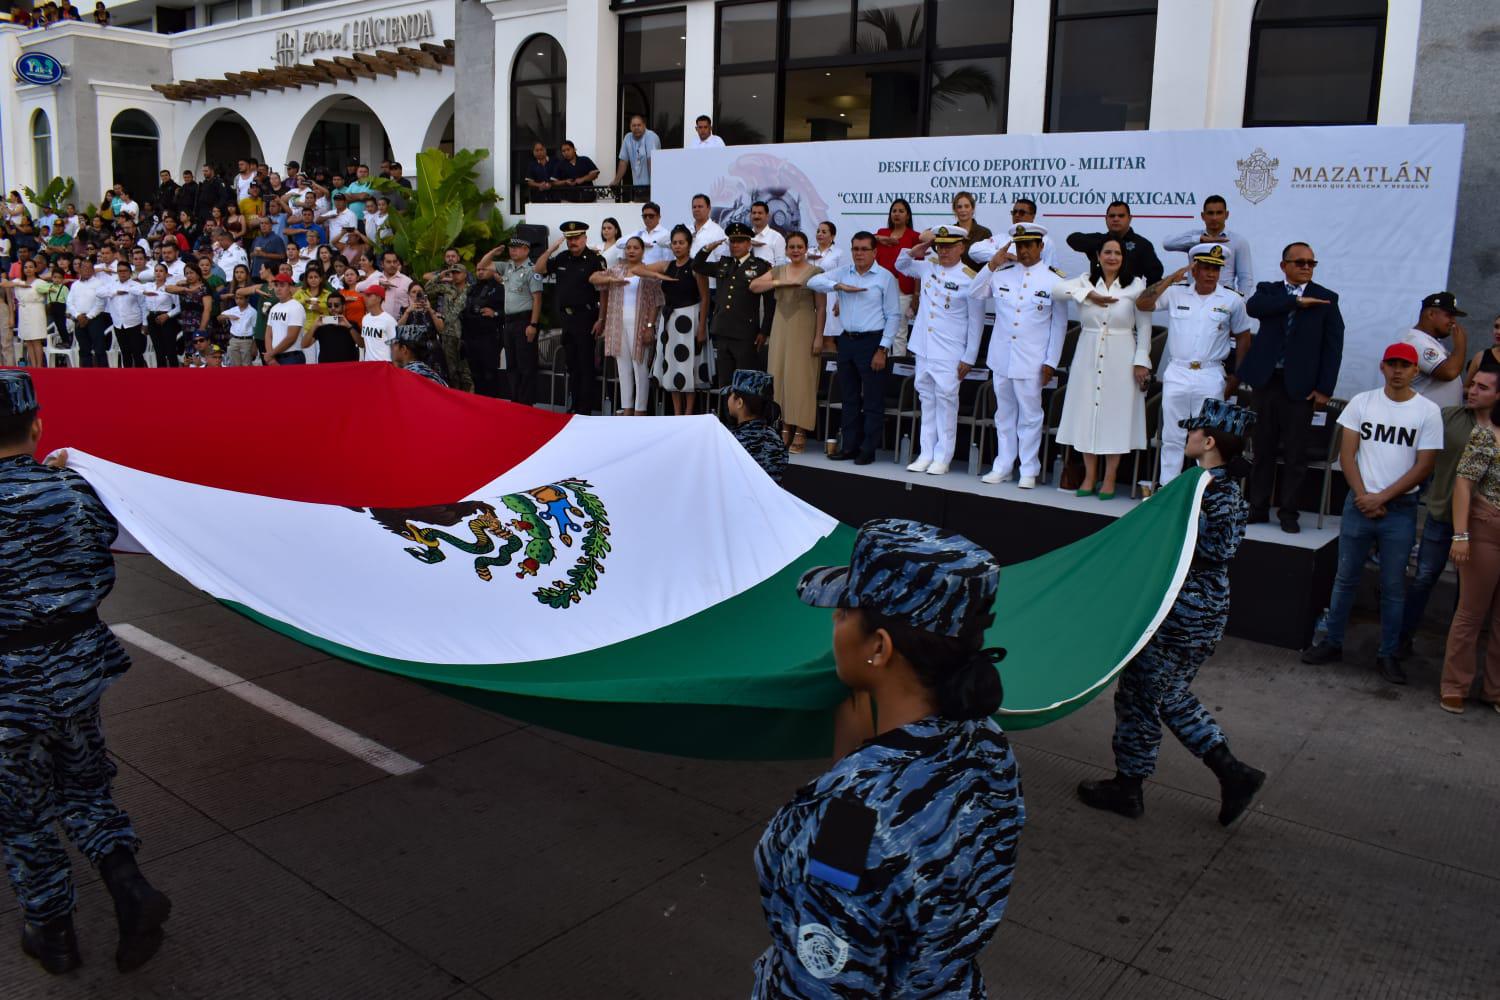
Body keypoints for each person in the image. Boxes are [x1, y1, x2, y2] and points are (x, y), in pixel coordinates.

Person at [755, 518, 1022, 998]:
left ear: (879, 646)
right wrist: (857, 763)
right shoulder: (987, 742)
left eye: (842, 614)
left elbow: (826, 979)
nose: (833, 625)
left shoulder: (849, 821)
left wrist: (852, 783)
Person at [0, 371, 173, 976]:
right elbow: (102, 541)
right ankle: (130, 891)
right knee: (87, 788)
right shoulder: (75, 493)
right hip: (75, 672)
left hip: (8, 690)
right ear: (37, 426)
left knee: (21, 813)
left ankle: (53, 935)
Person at [1077, 398, 1266, 825]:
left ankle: (1140, 786)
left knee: (1148, 694)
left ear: (1210, 440)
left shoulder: (1212, 490)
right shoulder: (1208, 485)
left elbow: (1217, 549)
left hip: (1186, 610)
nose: (1188, 437)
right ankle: (1221, 774)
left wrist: (1166, 526)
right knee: (1158, 694)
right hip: (1195, 608)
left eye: (1195, 432)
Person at [1302, 343, 1443, 684]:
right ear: (1382, 367)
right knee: (1345, 577)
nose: (1398, 370)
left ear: (1415, 371)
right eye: (1392, 364)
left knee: (1393, 585)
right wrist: (1364, 496)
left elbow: (1424, 466)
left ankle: (1388, 653)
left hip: (1400, 509)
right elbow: (1347, 455)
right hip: (1359, 504)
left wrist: (1382, 498)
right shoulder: (1363, 402)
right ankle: (1332, 642)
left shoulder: (1427, 411)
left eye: (1405, 365)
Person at [1241, 242, 1344, 532]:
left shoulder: (1326, 299)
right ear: (1284, 265)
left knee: (1296, 454)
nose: (1306, 267)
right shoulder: (1269, 291)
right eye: (1300, 262)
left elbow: (1333, 346)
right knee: (1262, 449)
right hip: (1266, 382)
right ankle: (1258, 507)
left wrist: (1325, 388)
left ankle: (1289, 513)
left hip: (1300, 387)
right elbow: (1254, 307)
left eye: (1311, 263)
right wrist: (1295, 303)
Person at [1137, 244, 1252, 488]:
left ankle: (1204, 491)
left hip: (1210, 373)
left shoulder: (1231, 299)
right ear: (1195, 268)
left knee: (1210, 436)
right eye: (1206, 267)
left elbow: (1243, 335)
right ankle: (1168, 488)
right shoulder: (1177, 292)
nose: (1211, 273)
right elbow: (1142, 304)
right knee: (1172, 435)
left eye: (1216, 269)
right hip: (1178, 370)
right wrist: (1170, 279)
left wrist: (1237, 376)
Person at [1402, 370, 1497, 660]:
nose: (1472, 390)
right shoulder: (1449, 417)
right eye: (1472, 385)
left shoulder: (1496, 428)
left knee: (1467, 595)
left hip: (1481, 527)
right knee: (1424, 577)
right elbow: (1420, 455)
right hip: (1442, 514)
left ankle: (1456, 655)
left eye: (1482, 387)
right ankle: (1400, 642)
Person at [969, 223, 1068, 488]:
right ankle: (1003, 464)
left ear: (1040, 247)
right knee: (1004, 414)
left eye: (1029, 245)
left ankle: (1028, 468)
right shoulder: (1002, 274)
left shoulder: (1054, 280)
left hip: (1032, 360)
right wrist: (991, 265)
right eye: (1020, 245)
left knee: (1030, 416)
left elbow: (1058, 326)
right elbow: (974, 292)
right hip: (1002, 356)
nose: (1023, 250)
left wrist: (1051, 362)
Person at [1053, 235, 1152, 498]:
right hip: (1088, 351)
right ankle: (1089, 475)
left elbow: (1144, 327)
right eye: (1107, 252)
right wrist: (1089, 295)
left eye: (1117, 253)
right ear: (1098, 256)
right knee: (1087, 413)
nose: (1112, 257)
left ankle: (1109, 478)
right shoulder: (1085, 281)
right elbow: (1055, 290)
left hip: (1122, 355)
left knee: (1115, 417)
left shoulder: (1136, 285)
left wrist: (1142, 361)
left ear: (1123, 258)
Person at [895, 227, 984, 477]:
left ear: (961, 247)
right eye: (940, 246)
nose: (943, 251)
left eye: (949, 246)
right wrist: (917, 250)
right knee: (927, 399)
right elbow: (901, 265)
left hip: (950, 351)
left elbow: (976, 323)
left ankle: (943, 456)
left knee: (946, 402)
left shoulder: (970, 278)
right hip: (924, 346)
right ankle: (925, 453)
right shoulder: (928, 266)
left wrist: (969, 357)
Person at [808, 232, 902, 465]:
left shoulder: (885, 277)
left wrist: (883, 348)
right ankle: (849, 446)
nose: (859, 253)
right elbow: (812, 281)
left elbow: (893, 315)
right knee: (849, 398)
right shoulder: (844, 272)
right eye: (855, 249)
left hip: (873, 342)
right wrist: (837, 285)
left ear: (874, 252)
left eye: (864, 249)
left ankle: (867, 449)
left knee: (871, 399)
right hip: (846, 341)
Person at [1440, 387, 1500, 714]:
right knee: (1471, 613)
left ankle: (1495, 690)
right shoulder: (1485, 434)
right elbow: (1463, 483)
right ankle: (1455, 685)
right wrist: (1460, 534)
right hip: (1487, 526)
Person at [751, 231, 823, 450]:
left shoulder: (816, 272)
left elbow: (821, 308)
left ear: (806, 248)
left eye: (799, 247)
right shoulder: (778, 270)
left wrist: (819, 336)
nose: (795, 251)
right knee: (780, 376)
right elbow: (754, 286)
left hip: (805, 326)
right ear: (786, 250)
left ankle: (800, 430)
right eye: (791, 247)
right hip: (781, 326)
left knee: (802, 379)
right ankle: (784, 427)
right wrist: (778, 282)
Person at [534, 221, 606, 415]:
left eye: (576, 238)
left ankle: (585, 408)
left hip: (587, 318)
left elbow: (603, 292)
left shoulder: (594, 260)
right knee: (572, 365)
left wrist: (601, 319)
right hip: (566, 320)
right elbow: (538, 269)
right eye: (569, 239)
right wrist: (551, 249)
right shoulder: (562, 258)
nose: (573, 242)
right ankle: (574, 405)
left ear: (585, 238)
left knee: (585, 366)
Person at [637, 225, 708, 415]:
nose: (677, 246)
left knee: (688, 366)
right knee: (672, 366)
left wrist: (701, 328)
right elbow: (637, 269)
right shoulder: (665, 265)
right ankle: (677, 412)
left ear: (689, 244)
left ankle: (688, 412)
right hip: (669, 321)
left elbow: (706, 298)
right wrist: (657, 275)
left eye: (681, 243)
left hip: (689, 319)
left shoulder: (695, 267)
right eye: (674, 243)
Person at [694, 222, 774, 386]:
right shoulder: (724, 264)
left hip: (745, 333)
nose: (735, 245)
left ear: (749, 244)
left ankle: (745, 412)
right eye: (732, 241)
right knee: (725, 382)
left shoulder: (760, 266)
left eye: (740, 241)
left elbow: (769, 303)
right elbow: (697, 266)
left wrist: (764, 331)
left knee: (744, 382)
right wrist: (707, 248)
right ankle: (726, 412)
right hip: (723, 329)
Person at [593, 237, 663, 415]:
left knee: (639, 367)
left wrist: (650, 326)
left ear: (642, 250)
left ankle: (641, 409)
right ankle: (627, 408)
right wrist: (608, 279)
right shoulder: (616, 270)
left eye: (636, 248)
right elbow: (594, 279)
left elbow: (656, 301)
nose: (631, 251)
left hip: (639, 323)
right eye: (629, 248)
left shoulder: (647, 271)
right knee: (623, 368)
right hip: (618, 323)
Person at [1162, 195, 1254, 295]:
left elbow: (1245, 278)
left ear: (1226, 215)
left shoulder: (1238, 241)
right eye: (1210, 213)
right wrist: (1199, 239)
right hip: (1193, 299)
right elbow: (1167, 243)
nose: (1214, 218)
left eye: (1219, 213)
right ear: (1203, 215)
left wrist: (1242, 303)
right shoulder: (1194, 237)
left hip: (1224, 302)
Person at [490, 237, 544, 404]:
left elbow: (537, 299)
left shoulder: (531, 270)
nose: (513, 250)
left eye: (517, 248)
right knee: (511, 365)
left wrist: (533, 324)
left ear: (526, 250)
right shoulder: (508, 267)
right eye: (511, 248)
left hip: (524, 321)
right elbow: (482, 265)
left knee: (525, 365)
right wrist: (494, 252)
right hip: (509, 322)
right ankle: (516, 401)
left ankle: (526, 403)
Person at [1066, 201, 1164, 286]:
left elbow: (1155, 277)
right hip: (1097, 300)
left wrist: (1143, 300)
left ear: (1130, 218)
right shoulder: (1099, 240)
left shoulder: (1142, 244)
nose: (1116, 219)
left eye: (1121, 216)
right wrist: (1105, 244)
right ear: (1106, 219)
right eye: (1112, 216)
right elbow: (1072, 239)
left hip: (1127, 301)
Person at [1400, 291, 1469, 408]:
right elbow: (1448, 372)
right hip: (1422, 419)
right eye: (1449, 315)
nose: (1453, 321)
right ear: (1431, 314)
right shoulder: (1415, 341)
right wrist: (1460, 345)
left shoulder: (1429, 341)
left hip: (1437, 419)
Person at [722, 370, 787, 483]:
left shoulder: (730, 440)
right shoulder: (776, 438)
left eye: (731, 394)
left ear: (739, 403)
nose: (728, 398)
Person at [874, 199, 919, 356]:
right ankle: (881, 364)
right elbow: (865, 240)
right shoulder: (881, 234)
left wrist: (916, 295)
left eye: (901, 211)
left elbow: (918, 268)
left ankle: (896, 369)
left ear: (907, 216)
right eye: (894, 211)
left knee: (899, 332)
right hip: (882, 288)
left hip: (903, 289)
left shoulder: (914, 237)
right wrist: (880, 239)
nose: (897, 214)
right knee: (881, 329)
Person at [425, 250, 473, 391]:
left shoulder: (471, 290)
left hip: (465, 334)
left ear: (465, 275)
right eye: (453, 273)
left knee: (466, 371)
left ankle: (470, 398)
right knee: (451, 370)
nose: (455, 275)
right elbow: (428, 288)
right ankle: (455, 396)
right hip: (448, 334)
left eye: (458, 272)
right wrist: (440, 276)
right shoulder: (447, 288)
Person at [460, 253, 507, 397]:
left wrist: (495, 313)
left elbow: (508, 312)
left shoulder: (500, 288)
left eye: (484, 269)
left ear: (492, 270)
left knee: (489, 374)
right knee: (476, 374)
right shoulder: (472, 289)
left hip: (489, 338)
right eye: (478, 270)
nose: (480, 272)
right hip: (471, 337)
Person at [969, 199, 1057, 271]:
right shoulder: (1002, 238)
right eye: (1014, 212)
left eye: (1022, 212)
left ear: (1033, 216)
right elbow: (973, 251)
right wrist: (1004, 255)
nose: (1017, 215)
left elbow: (1049, 269)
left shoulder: (1044, 240)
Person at [0, 259, 53, 369]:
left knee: (36, 339)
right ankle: (33, 366)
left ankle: (39, 366)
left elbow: (52, 288)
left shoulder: (40, 282)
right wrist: (19, 284)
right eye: (25, 267)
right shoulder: (19, 281)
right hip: (24, 311)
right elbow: (3, 283)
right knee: (28, 340)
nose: (28, 269)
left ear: (35, 269)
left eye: (31, 267)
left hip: (36, 310)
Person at [298, 266, 354, 363]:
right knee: (310, 361)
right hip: (310, 328)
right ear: (306, 280)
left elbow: (361, 344)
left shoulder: (328, 294)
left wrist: (320, 309)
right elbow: (293, 305)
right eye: (310, 277)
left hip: (328, 326)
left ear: (320, 279)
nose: (332, 308)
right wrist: (304, 301)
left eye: (316, 277)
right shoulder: (301, 293)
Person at [67, 258, 110, 367]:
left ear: (92, 270)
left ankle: (104, 376)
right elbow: (69, 302)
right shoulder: (75, 285)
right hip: (79, 319)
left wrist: (88, 317)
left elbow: (101, 304)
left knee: (99, 348)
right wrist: (77, 315)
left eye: (89, 268)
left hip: (95, 319)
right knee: (84, 349)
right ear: (79, 269)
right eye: (84, 267)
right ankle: (86, 375)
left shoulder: (99, 283)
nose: (86, 270)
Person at [104, 260, 148, 367]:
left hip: (134, 323)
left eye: (125, 271)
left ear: (130, 272)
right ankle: (127, 379)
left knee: (137, 352)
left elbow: (144, 305)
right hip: (119, 324)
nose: (122, 273)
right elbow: (99, 293)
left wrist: (145, 323)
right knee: (125, 352)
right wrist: (114, 293)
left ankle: (141, 377)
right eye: (120, 271)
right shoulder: (112, 285)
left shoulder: (136, 285)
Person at [611, 114, 661, 197]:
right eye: (633, 125)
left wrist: (654, 185)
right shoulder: (627, 138)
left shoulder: (651, 137)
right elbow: (623, 162)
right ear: (630, 127)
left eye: (639, 125)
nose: (636, 128)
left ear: (644, 125)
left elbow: (651, 161)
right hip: (637, 188)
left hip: (651, 187)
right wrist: (616, 181)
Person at [141, 263, 181, 367]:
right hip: (152, 318)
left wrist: (168, 315)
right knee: (158, 349)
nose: (158, 273)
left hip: (166, 317)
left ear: (166, 274)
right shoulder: (149, 286)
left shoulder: (170, 287)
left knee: (170, 348)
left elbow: (179, 306)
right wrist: (145, 323)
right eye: (156, 271)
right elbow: (145, 305)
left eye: (161, 271)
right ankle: (161, 373)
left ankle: (174, 373)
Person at [263, 273, 307, 365]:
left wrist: (271, 354)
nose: (278, 289)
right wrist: (271, 359)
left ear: (290, 288)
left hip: (291, 357)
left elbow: (291, 337)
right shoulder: (274, 308)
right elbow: (268, 334)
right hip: (275, 357)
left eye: (282, 285)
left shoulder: (296, 307)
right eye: (276, 285)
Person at [358, 285, 397, 363]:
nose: (365, 298)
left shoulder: (389, 320)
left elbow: (395, 346)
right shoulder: (365, 318)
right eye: (365, 295)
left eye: (369, 295)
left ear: (379, 298)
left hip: (384, 364)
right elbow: (366, 343)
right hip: (368, 364)